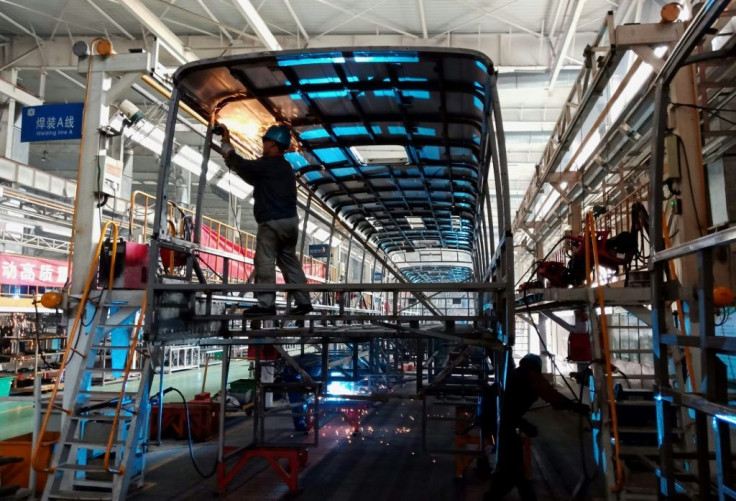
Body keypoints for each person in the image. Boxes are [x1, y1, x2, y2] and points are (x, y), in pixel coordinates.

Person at [220, 124, 313, 316]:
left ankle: (266, 305)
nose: (262, 144)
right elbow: (251, 175)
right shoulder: (285, 167)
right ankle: (304, 302)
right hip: (290, 223)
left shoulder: (268, 164)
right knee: (288, 261)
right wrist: (232, 160)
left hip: (272, 222)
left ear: (272, 143)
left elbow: (244, 166)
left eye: (264, 141)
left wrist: (227, 146)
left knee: (264, 261)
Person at [484, 353, 589, 501]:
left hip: (497, 421)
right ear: (537, 367)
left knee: (514, 468)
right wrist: (573, 406)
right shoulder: (531, 376)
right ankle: (494, 496)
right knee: (513, 469)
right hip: (503, 424)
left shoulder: (514, 374)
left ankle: (511, 494)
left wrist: (521, 423)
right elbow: (551, 395)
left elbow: (508, 407)